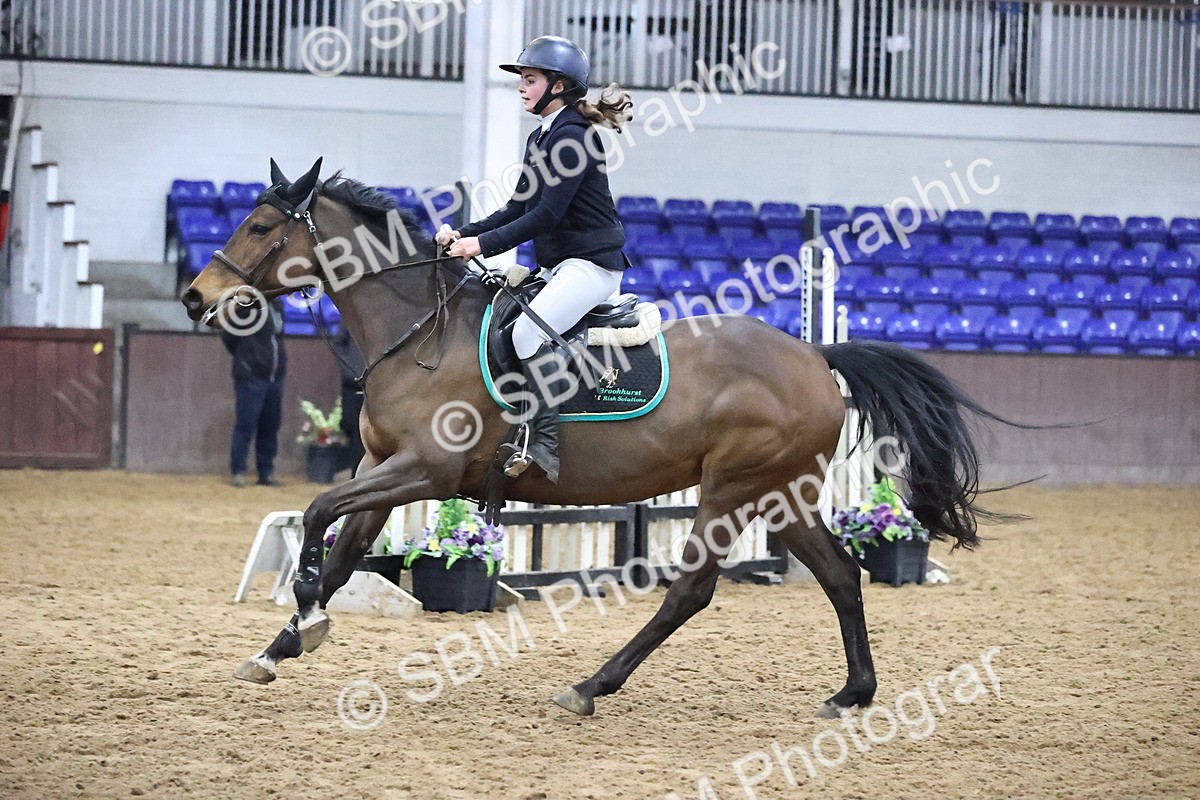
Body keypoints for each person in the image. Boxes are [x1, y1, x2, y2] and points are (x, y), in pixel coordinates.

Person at [438, 35, 633, 484]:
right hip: (559, 266)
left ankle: (543, 442)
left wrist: (479, 248)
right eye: (522, 80)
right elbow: (516, 208)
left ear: (558, 86)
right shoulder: (541, 136)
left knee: (528, 331)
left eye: (530, 80)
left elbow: (546, 216)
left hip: (591, 266)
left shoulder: (574, 138)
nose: (521, 88)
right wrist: (463, 234)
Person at [221, 298, 287, 487]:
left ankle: (266, 471)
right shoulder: (246, 306)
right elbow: (229, 336)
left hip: (274, 375)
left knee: (270, 426)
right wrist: (246, 358)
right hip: (251, 375)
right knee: (245, 425)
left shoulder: (277, 305)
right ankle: (238, 470)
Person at [331, 324, 366, 474]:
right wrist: (350, 369)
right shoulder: (351, 317)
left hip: (376, 386)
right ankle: (355, 477)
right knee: (351, 428)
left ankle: (358, 477)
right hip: (353, 386)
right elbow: (337, 342)